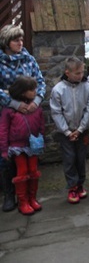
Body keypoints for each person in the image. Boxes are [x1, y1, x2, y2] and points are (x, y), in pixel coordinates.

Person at [0, 25, 46, 212]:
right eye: (16, 40)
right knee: (7, 158)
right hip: (7, 113)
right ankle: (9, 195)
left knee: (29, 156)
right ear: (6, 42)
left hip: (30, 114)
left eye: (21, 39)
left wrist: (36, 101)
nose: (20, 43)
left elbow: (40, 82)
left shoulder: (29, 59)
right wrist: (14, 104)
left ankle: (29, 196)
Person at [50, 57, 89, 204]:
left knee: (81, 158)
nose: (80, 75)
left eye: (82, 72)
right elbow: (56, 112)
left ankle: (80, 183)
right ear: (67, 73)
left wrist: (81, 128)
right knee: (69, 159)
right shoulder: (58, 89)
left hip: (82, 130)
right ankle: (72, 186)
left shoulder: (88, 87)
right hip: (66, 132)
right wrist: (67, 131)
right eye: (77, 73)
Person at [0, 76, 45, 215]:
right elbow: (3, 130)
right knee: (22, 172)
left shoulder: (35, 108)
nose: (35, 92)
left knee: (33, 170)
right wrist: (4, 149)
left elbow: (41, 123)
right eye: (32, 90)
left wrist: (41, 138)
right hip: (17, 147)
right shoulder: (9, 110)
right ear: (22, 92)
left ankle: (32, 198)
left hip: (33, 146)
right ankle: (22, 201)